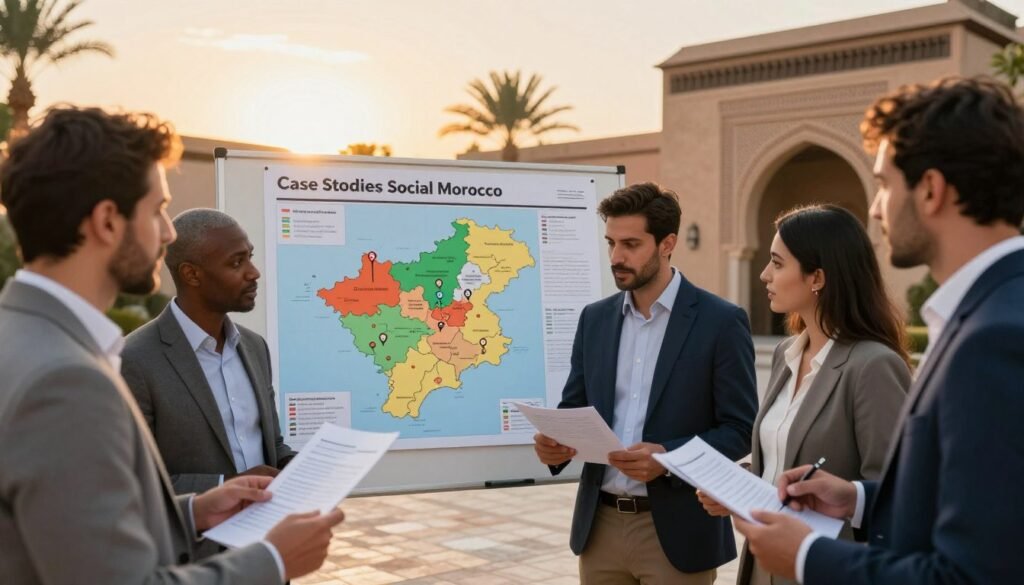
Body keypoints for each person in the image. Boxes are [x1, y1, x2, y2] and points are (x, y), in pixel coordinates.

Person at [0, 107, 343, 584]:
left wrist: (193, 513)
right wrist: (274, 560)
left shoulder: (22, 339)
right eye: (158, 209)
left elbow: (75, 535)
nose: (167, 233)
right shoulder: (66, 380)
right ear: (107, 221)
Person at [733, 77, 1024, 585]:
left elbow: (973, 574)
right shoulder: (988, 313)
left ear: (930, 189)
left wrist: (807, 558)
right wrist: (859, 498)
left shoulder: (993, 339)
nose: (873, 208)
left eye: (885, 184)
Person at [533, 182, 758, 585]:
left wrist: (667, 459)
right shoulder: (595, 320)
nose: (616, 257)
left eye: (631, 244)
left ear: (667, 243)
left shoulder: (720, 322)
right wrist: (556, 446)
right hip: (598, 528)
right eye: (611, 243)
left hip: (676, 532)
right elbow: (575, 408)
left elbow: (741, 430)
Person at [696, 204, 911, 585]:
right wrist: (736, 485)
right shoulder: (786, 353)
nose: (765, 275)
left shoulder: (873, 366)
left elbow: (900, 495)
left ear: (817, 277)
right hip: (763, 566)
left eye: (777, 264)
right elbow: (781, 465)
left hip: (828, 570)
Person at [121, 208, 296, 558]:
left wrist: (306, 470)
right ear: (192, 274)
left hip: (266, 553)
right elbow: (131, 483)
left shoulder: (254, 347)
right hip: (193, 561)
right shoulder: (134, 359)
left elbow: (272, 448)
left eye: (250, 258)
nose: (253, 272)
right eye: (236, 263)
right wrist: (226, 487)